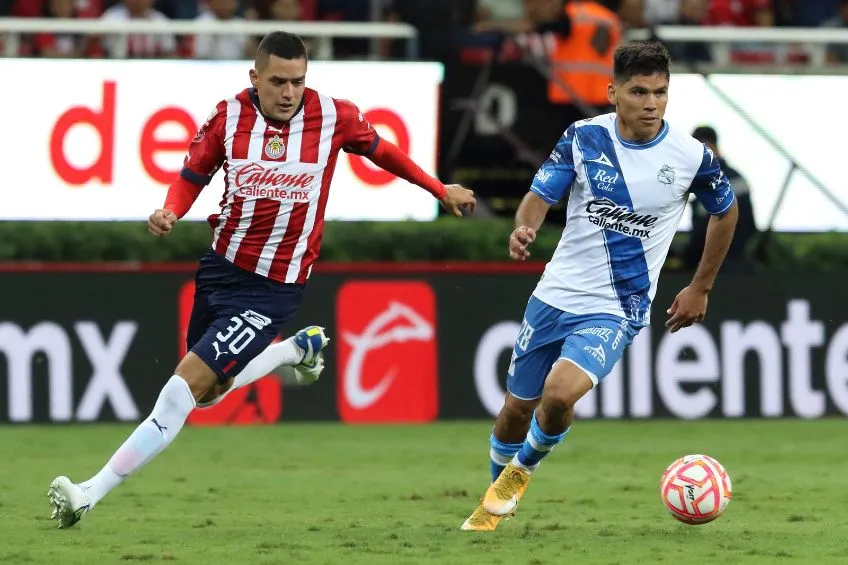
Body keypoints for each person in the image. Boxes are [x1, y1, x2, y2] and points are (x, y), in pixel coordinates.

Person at [48, 30, 476, 529]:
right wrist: (170, 209)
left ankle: (88, 493)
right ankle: (294, 351)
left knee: (182, 388)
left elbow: (382, 152)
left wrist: (438, 188)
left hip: (274, 287)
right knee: (210, 392)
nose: (289, 92)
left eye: (298, 81)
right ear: (255, 77)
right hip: (220, 270)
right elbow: (192, 175)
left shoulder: (333, 116)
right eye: (277, 82)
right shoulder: (228, 117)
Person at [461, 40, 737, 531]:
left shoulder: (690, 156)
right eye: (639, 92)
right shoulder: (583, 137)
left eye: (660, 93)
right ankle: (494, 494)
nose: (651, 103)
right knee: (514, 411)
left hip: (617, 306)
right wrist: (524, 226)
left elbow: (726, 211)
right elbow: (540, 194)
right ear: (613, 93)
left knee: (558, 396)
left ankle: (517, 475)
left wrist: (702, 286)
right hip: (554, 294)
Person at [684, 125, 758, 272]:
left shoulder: (712, 182)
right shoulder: (737, 178)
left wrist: (687, 259)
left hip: (718, 268)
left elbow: (702, 234)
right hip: (736, 265)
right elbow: (750, 226)